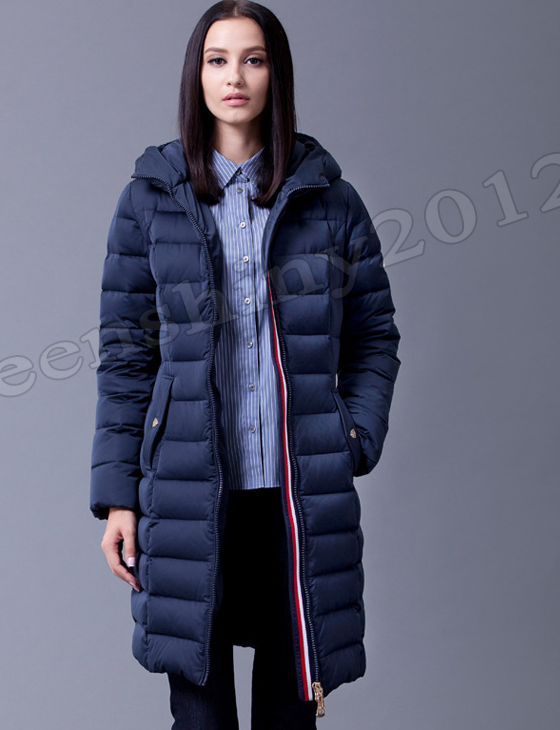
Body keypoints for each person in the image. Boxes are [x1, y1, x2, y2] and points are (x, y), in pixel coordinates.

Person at [90, 2, 401, 728]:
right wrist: (119, 498)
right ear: (197, 75)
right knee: (200, 719)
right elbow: (126, 358)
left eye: (253, 59)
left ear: (275, 75)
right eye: (218, 59)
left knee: (291, 717)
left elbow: (374, 336)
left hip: (297, 499)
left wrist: (353, 437)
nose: (235, 76)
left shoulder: (331, 202)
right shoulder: (149, 202)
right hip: (187, 498)